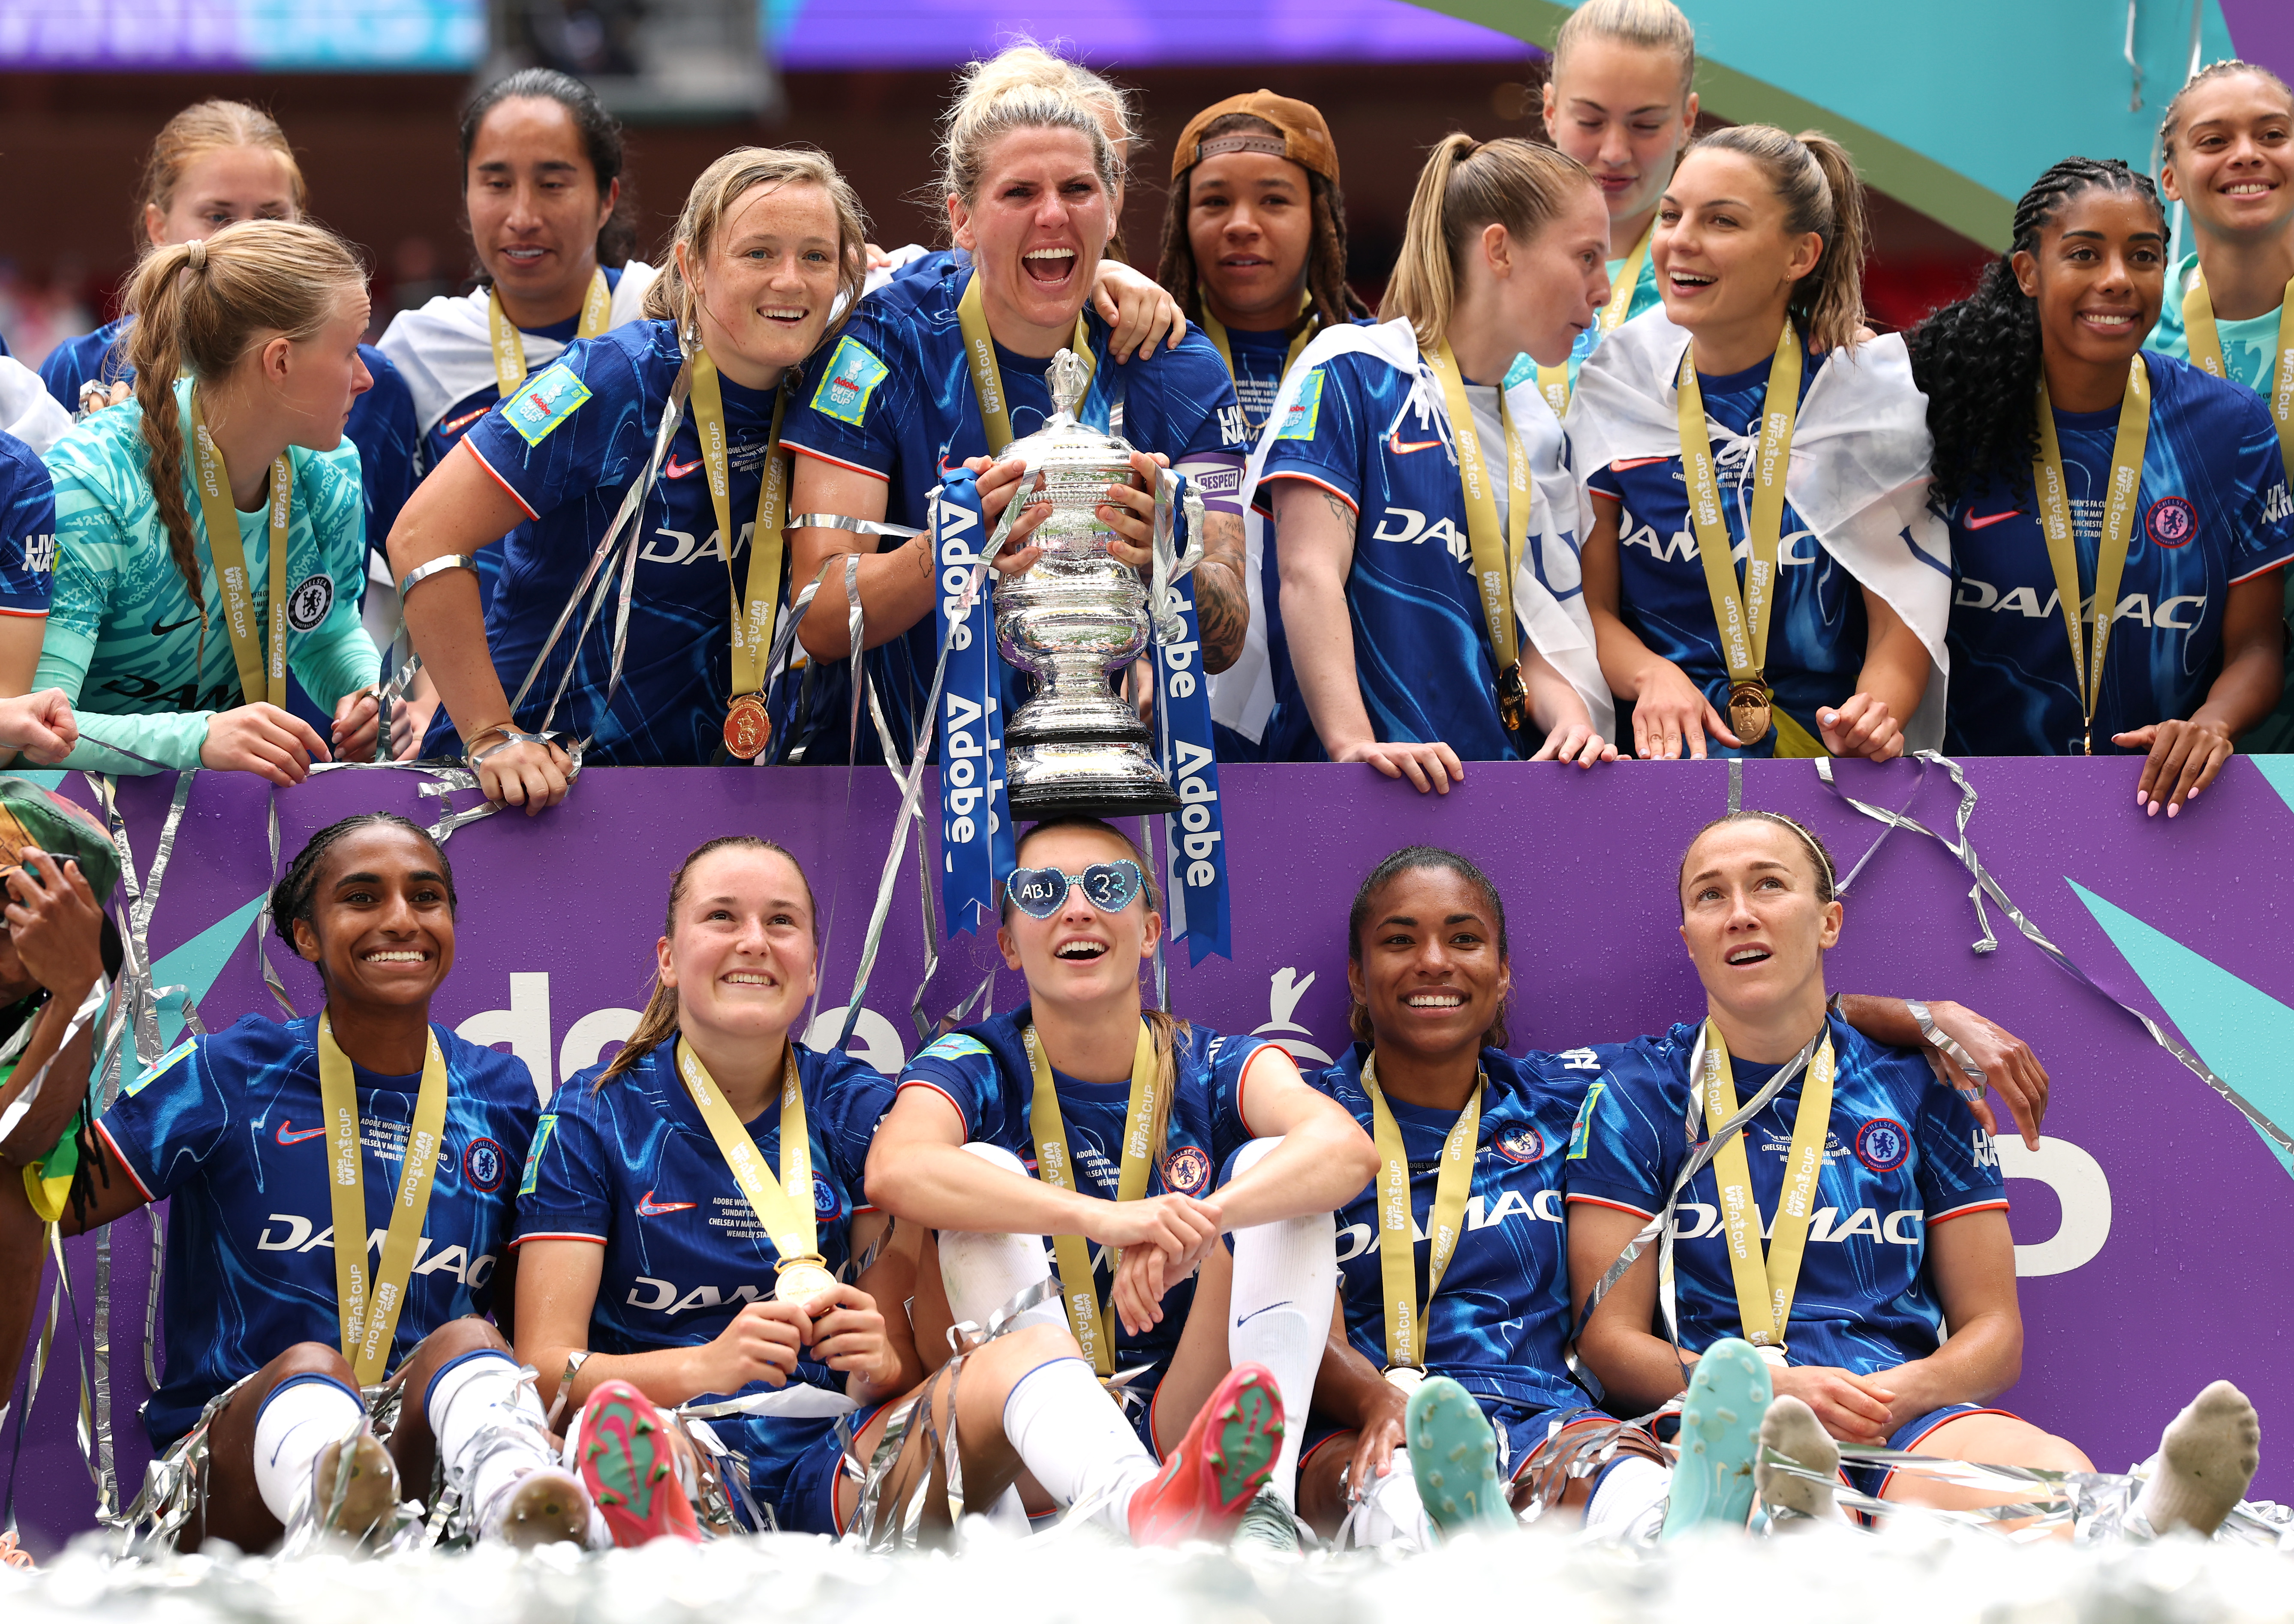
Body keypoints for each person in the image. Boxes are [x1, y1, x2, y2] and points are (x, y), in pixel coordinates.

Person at [515, 835, 1287, 1546]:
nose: (753, 940)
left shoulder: (854, 1104)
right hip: (682, 1423)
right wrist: (704, 1366)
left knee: (1025, 1351)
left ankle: (1141, 1501)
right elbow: (545, 1365)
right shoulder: (594, 1111)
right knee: (630, 1438)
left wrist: (879, 1359)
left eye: (781, 921)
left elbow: (901, 1359)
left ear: (813, 967)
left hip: (842, 1453)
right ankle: (667, 1529)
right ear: (667, 956)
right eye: (722, 916)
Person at [1294, 843, 2055, 1548]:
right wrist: (1376, 1403)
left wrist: (1923, 1015)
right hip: (1379, 1420)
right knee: (1397, 1514)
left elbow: (1769, 1022)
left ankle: (1718, 1530)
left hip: (1553, 1420)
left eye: (1464, 939)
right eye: (1398, 940)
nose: (1433, 962)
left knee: (1645, 1507)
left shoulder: (1568, 1091)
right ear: (1358, 975)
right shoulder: (1305, 1122)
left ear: (1502, 974)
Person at [1566, 810, 2261, 1537]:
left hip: (1896, 1402)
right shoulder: (1639, 1092)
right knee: (1770, 1516)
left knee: (2039, 1477)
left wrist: (1903, 1390)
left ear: (1829, 920)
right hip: (1724, 1407)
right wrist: (1765, 1383)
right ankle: (1816, 1526)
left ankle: (2127, 1531)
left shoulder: (1924, 1085)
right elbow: (1608, 1340)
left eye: (1768, 885)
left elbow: (1994, 1330)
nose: (1739, 913)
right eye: (1710, 895)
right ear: (1690, 939)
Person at [0, 814, 598, 1551]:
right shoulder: (229, 1070)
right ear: (306, 935)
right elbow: (43, 1192)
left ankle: (525, 1511)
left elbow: (533, 1310)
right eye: (362, 896)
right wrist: (70, 1001)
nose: (401, 919)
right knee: (313, 1370)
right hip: (228, 1487)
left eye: (427, 895)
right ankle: (341, 1522)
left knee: (471, 1339)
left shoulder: (502, 1093)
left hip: (414, 1475)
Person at [391, 148, 1019, 797]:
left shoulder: (831, 394)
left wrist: (1115, 277)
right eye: (757, 254)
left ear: (846, 275)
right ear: (691, 266)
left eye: (815, 257)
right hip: (536, 791)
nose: (789, 281)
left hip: (711, 803)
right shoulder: (612, 383)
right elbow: (422, 535)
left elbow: (991, 264)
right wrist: (492, 734)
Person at [866, 816, 1378, 1549]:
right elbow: (897, 1166)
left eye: (1108, 887)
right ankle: (1067, 1511)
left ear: (1149, 929)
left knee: (1277, 1171)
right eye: (1041, 892)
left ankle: (1260, 1506)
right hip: (1031, 1445)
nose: (1077, 909)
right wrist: (1106, 1220)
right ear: (1009, 943)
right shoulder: (977, 1057)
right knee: (980, 1168)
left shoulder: (1214, 1058)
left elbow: (1344, 1148)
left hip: (1186, 1424)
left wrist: (1200, 1220)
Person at [781, 66, 1254, 767]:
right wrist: (950, 547)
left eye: (1078, 190)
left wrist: (1169, 554)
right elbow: (817, 615)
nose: (1054, 215)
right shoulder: (882, 344)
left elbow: (1226, 638)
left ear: (1113, 206)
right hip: (894, 787)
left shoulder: (1177, 367)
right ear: (961, 219)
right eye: (1020, 193)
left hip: (1091, 776)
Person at [1910, 157, 2294, 806]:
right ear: (2028, 273)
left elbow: (2257, 643)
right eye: (2084, 255)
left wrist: (2210, 723)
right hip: (1963, 801)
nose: (2116, 280)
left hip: (2157, 801)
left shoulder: (2230, 425)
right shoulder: (1942, 415)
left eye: (2142, 257)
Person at [1249, 135, 1618, 791]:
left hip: (1489, 785)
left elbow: (1531, 623)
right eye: (1585, 257)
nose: (1603, 289)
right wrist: (1353, 748)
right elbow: (1307, 572)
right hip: (1352, 783)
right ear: (1499, 249)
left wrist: (1568, 718)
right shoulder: (1353, 369)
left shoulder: (1535, 426)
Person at [1572, 126, 1946, 762]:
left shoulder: (1863, 392)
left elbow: (1901, 616)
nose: (1679, 240)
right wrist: (1648, 675)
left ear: (1798, 256)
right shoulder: (1617, 382)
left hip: (1823, 769)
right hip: (1655, 763)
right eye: (1669, 215)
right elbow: (1584, 605)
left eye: (1720, 221)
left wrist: (1872, 717)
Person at [39, 222, 390, 782]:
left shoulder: (331, 468)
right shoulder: (91, 488)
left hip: (217, 821)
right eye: (350, 350)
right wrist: (198, 738)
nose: (367, 378)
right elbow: (35, 731)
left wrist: (366, 692)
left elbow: (326, 631)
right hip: (80, 824)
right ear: (279, 362)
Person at [39, 100, 419, 607]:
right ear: (158, 228)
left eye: (272, 216)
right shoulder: (84, 367)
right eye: (218, 216)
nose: (247, 236)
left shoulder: (371, 385)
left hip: (317, 687)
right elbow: (36, 567)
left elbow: (422, 565)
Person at [377, 70, 661, 630]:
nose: (522, 217)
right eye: (496, 184)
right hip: (485, 697)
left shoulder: (669, 314)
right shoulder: (417, 347)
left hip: (652, 695)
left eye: (553, 184)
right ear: (466, 192)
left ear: (607, 198)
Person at [1155, 90, 1373, 762]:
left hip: (1350, 717)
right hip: (1181, 724)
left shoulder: (1377, 367)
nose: (1241, 224)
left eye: (1274, 200)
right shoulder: (1140, 362)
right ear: (1180, 221)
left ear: (1323, 220)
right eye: (1213, 201)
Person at [2147, 63, 2294, 754]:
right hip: (2174, 699)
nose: (2246, 154)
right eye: (2214, 140)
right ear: (2170, 178)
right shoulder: (2129, 331)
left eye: (2273, 134)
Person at [1525, 0, 1700, 408]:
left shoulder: (1730, 273)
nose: (1615, 151)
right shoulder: (1488, 260)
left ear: (1686, 121)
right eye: (1590, 121)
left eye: (1645, 125)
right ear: (1551, 112)